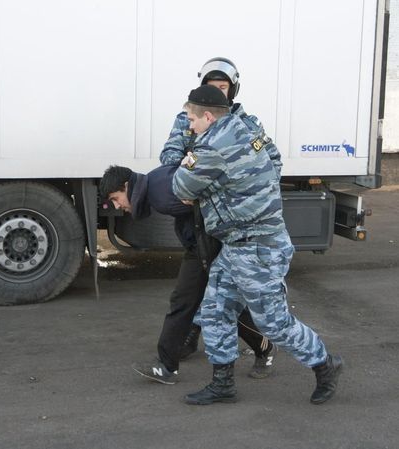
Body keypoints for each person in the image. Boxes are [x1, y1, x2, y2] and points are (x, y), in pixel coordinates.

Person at [173, 84, 343, 405]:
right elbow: (273, 160)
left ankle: (325, 365)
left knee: (274, 323)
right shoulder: (246, 127)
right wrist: (251, 188)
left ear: (207, 116)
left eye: (191, 119)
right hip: (240, 244)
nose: (188, 126)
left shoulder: (209, 147)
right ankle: (222, 384)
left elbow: (181, 186)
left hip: (258, 248)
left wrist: (203, 176)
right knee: (214, 310)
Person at [99, 163, 273, 385]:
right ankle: (166, 365)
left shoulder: (160, 193)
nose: (118, 206)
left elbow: (210, 205)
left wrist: (217, 255)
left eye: (116, 198)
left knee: (225, 306)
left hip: (214, 249)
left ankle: (264, 347)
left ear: (126, 186)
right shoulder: (155, 185)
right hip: (198, 248)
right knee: (182, 301)